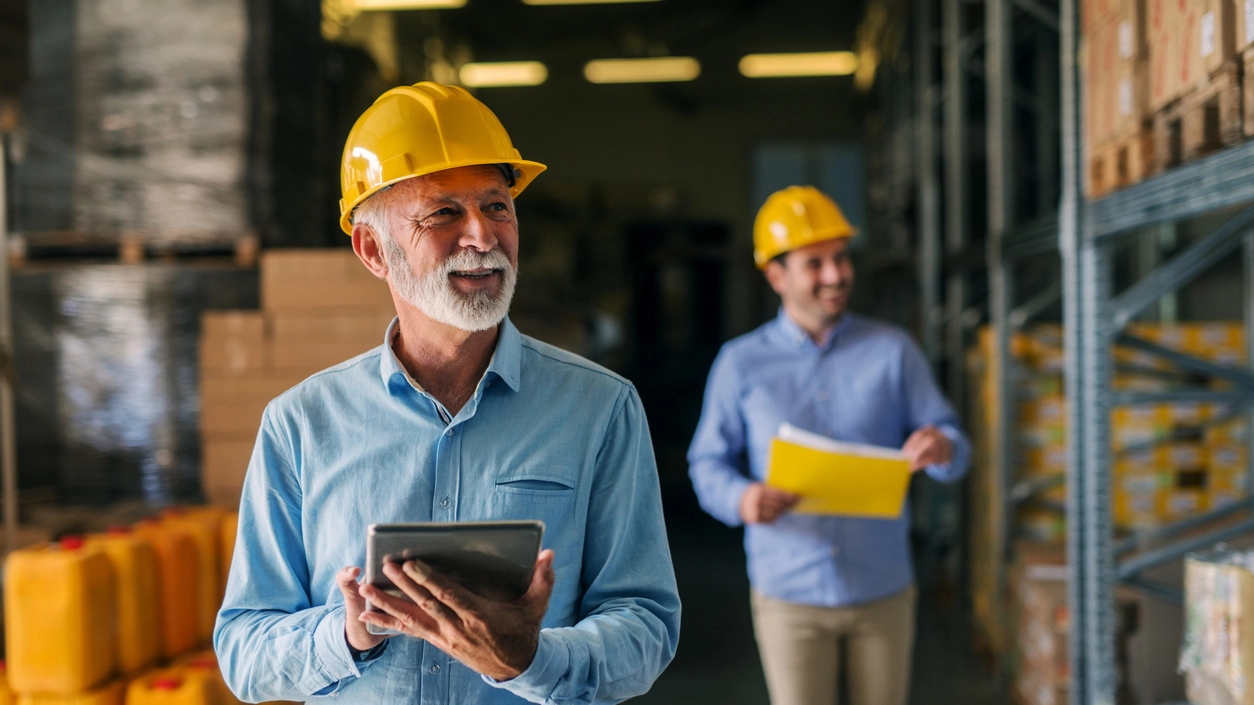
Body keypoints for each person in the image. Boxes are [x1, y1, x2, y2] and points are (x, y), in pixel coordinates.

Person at [214, 82, 680, 704]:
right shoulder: (301, 424)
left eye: (497, 206)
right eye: (444, 214)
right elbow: (244, 651)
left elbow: (646, 624)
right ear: (373, 249)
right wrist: (347, 635)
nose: (482, 237)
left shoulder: (599, 410)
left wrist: (532, 660)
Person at [687, 186, 970, 705]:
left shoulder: (893, 351)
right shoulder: (740, 363)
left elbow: (954, 439)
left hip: (882, 588)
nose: (836, 276)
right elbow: (707, 463)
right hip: (789, 594)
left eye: (840, 259)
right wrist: (741, 499)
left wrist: (943, 447)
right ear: (776, 275)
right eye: (814, 264)